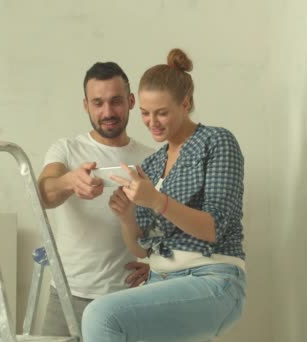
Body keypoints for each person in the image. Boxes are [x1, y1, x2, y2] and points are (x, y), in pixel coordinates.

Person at [81, 48, 247, 342]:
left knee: (101, 315)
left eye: (161, 112)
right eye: (145, 113)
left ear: (185, 104)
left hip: (212, 279)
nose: (151, 122)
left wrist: (156, 201)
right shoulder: (152, 163)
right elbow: (143, 250)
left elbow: (213, 228)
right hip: (161, 280)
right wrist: (127, 218)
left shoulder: (217, 142)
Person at [37, 61, 155, 336]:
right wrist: (69, 182)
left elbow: (169, 229)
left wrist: (158, 269)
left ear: (131, 101)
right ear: (86, 106)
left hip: (127, 299)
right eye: (97, 103)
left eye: (115, 101)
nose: (107, 112)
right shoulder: (66, 149)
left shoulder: (152, 159)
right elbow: (43, 193)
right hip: (67, 295)